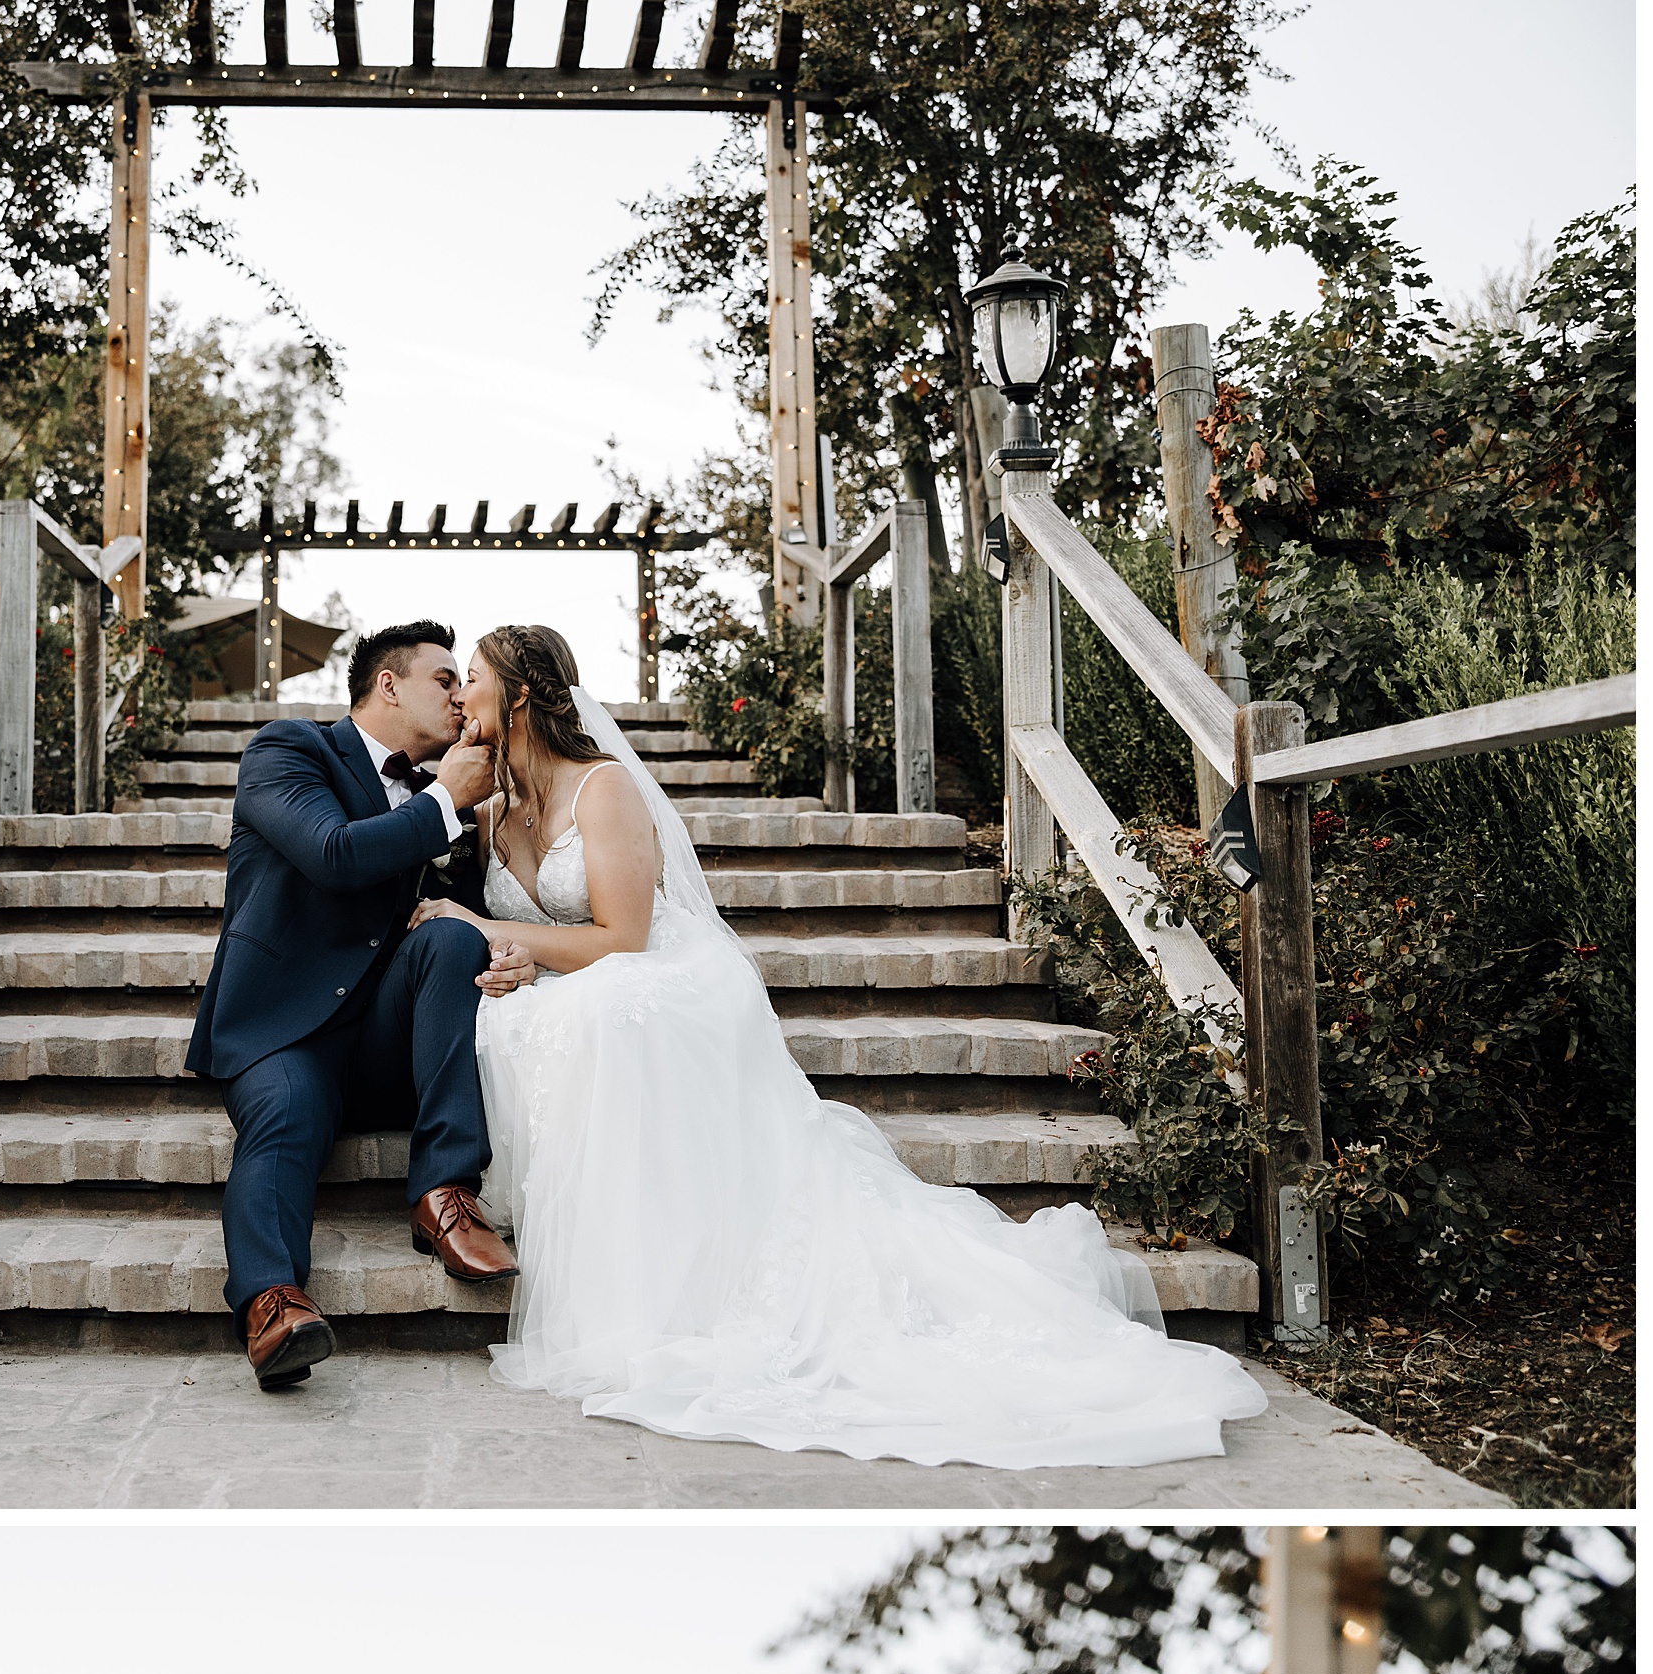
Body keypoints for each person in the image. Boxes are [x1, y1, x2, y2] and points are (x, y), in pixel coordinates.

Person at [415, 621, 1269, 1471]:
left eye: (475, 680)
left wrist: (485, 927)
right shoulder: (488, 813)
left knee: (605, 1016)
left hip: (662, 973)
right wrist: (510, 954)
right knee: (516, 1018)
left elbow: (626, 937)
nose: (461, 696)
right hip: (577, 971)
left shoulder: (600, 789)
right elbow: (525, 933)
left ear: (521, 694)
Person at [184, 617, 515, 1388]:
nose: (462, 700)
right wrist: (439, 804)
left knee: (453, 939)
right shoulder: (288, 750)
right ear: (388, 683)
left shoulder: (459, 802)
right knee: (285, 1121)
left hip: (384, 1037)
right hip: (284, 1031)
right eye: (445, 679)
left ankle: (445, 1197)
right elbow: (332, 853)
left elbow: (464, 915)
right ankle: (274, 1302)